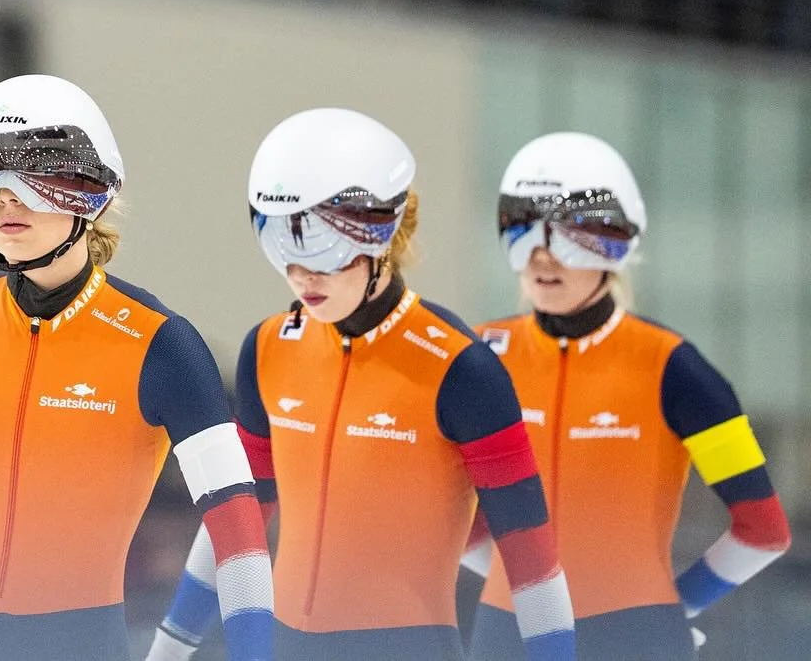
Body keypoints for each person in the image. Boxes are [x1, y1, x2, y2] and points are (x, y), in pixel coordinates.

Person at [0, 74, 273, 661]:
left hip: (75, 641)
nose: (6, 197)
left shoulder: (162, 346)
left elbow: (238, 531)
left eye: (34, 171)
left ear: (92, 189)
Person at [147, 109, 575, 661]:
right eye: (281, 243)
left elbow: (533, 567)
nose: (302, 276)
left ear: (385, 233)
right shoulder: (269, 347)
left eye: (322, 249)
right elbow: (238, 522)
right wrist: (169, 648)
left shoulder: (462, 370)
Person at [464, 132, 792, 660]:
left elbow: (764, 529)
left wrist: (671, 610)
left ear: (616, 242)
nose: (543, 256)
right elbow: (452, 519)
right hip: (507, 636)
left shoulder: (673, 367)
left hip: (634, 639)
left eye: (570, 234)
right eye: (522, 228)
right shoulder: (479, 355)